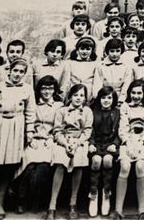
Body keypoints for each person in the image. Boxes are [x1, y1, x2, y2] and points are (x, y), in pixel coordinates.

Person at [0, 58, 36, 220]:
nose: (17, 74)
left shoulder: (27, 89)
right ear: (9, 71)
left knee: (7, 167)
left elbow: (30, 112)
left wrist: (29, 131)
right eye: (15, 71)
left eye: (21, 72)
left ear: (25, 74)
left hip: (16, 128)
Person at [17, 76, 63, 214]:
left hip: (49, 141)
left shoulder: (59, 105)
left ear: (54, 90)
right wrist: (29, 137)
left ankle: (37, 200)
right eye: (44, 88)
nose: (47, 91)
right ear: (39, 89)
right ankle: (22, 199)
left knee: (42, 167)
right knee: (28, 166)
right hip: (33, 139)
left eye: (50, 88)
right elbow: (27, 122)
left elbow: (60, 126)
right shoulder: (33, 103)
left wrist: (51, 138)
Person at [46, 84, 93, 220]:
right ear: (70, 96)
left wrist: (77, 143)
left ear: (85, 98)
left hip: (80, 141)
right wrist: (66, 144)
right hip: (64, 141)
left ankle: (73, 203)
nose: (78, 98)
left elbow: (87, 131)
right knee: (61, 161)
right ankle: (52, 205)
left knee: (79, 160)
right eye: (75, 95)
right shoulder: (62, 111)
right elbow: (57, 131)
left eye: (81, 95)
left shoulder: (87, 112)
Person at [113, 80, 144, 220]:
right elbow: (122, 128)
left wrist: (141, 142)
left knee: (140, 166)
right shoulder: (125, 106)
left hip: (143, 141)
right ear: (129, 93)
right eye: (133, 93)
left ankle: (141, 210)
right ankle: (118, 210)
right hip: (128, 141)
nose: (136, 96)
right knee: (124, 167)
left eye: (139, 93)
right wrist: (128, 143)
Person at [88, 86, 120, 217]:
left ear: (113, 99)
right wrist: (91, 144)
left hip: (110, 144)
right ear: (99, 99)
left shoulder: (117, 112)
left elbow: (119, 131)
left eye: (109, 98)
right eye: (103, 97)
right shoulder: (93, 111)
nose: (106, 100)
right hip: (97, 143)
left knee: (107, 160)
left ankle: (106, 193)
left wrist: (114, 144)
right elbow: (89, 130)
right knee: (96, 161)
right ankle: (93, 195)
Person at [93, 38, 133, 105]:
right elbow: (97, 85)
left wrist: (121, 100)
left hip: (120, 100)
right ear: (107, 51)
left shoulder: (126, 66)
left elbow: (126, 85)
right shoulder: (100, 66)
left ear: (121, 51)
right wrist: (101, 99)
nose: (115, 54)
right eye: (112, 51)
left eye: (117, 51)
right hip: (104, 99)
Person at [68, 36, 99, 103]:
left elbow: (97, 82)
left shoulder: (95, 64)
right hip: (73, 94)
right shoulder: (70, 63)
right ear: (77, 50)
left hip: (88, 95)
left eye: (88, 49)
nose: (85, 52)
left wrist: (93, 96)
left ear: (92, 51)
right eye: (82, 49)